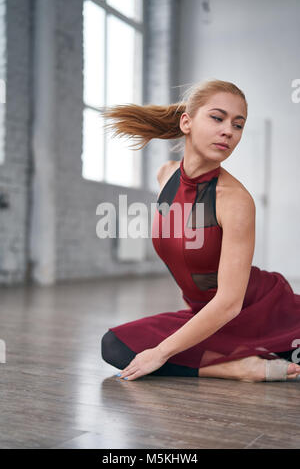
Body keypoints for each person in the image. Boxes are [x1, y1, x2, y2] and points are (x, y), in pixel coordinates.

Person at [100, 79, 300, 383]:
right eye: (217, 118)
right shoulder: (166, 175)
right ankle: (234, 367)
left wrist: (161, 352)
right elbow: (186, 264)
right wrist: (170, 346)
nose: (228, 132)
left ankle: (242, 359)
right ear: (186, 122)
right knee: (115, 346)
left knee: (154, 354)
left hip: (265, 313)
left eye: (238, 125)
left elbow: (230, 302)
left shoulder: (234, 200)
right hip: (208, 315)